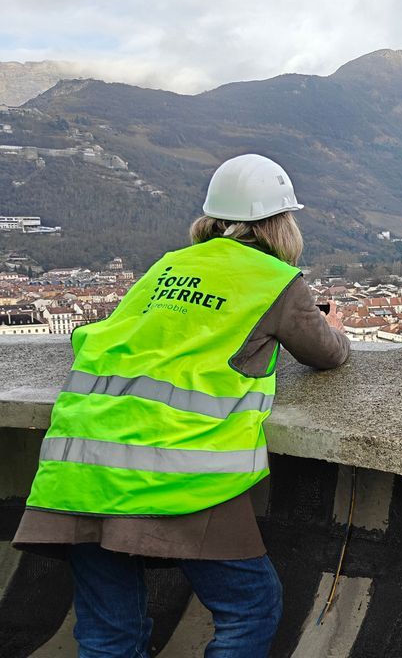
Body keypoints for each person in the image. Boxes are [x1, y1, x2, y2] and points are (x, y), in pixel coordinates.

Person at [13, 154, 351, 657]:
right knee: (249, 609)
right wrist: (335, 327)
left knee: (110, 635)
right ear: (283, 224)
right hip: (176, 470)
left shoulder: (167, 266)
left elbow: (99, 338)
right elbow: (327, 355)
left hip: (80, 463)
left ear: (211, 218)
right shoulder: (277, 281)